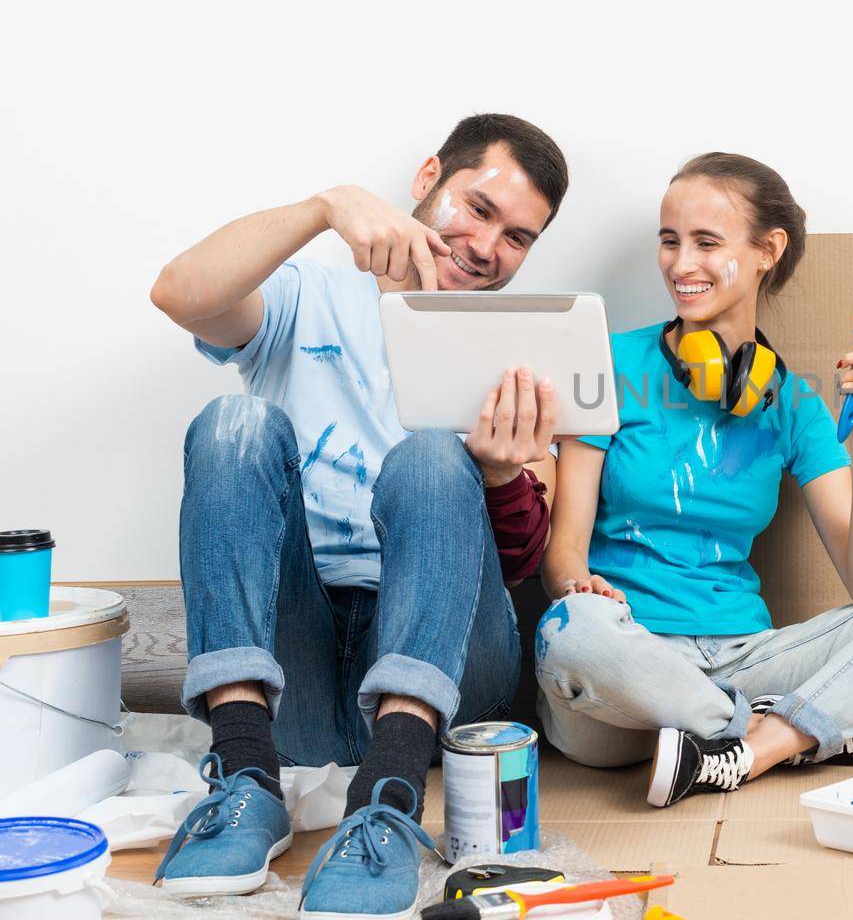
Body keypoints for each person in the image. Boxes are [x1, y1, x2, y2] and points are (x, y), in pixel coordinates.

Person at [147, 114, 563, 917]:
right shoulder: (308, 298)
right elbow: (178, 293)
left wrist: (503, 474)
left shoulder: (516, 341)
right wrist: (323, 207)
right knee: (231, 424)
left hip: (442, 674)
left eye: (517, 237)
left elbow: (517, 565)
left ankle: (392, 795)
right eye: (478, 208)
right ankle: (245, 778)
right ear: (428, 178)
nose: (486, 246)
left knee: (435, 458)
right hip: (295, 666)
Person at [533, 152, 853, 807]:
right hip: (625, 663)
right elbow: (562, 552)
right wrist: (575, 586)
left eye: (706, 243)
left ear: (767, 250)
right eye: (669, 242)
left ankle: (747, 750)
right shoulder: (608, 363)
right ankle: (800, 727)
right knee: (573, 630)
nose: (681, 264)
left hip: (745, 651)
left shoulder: (793, 406)